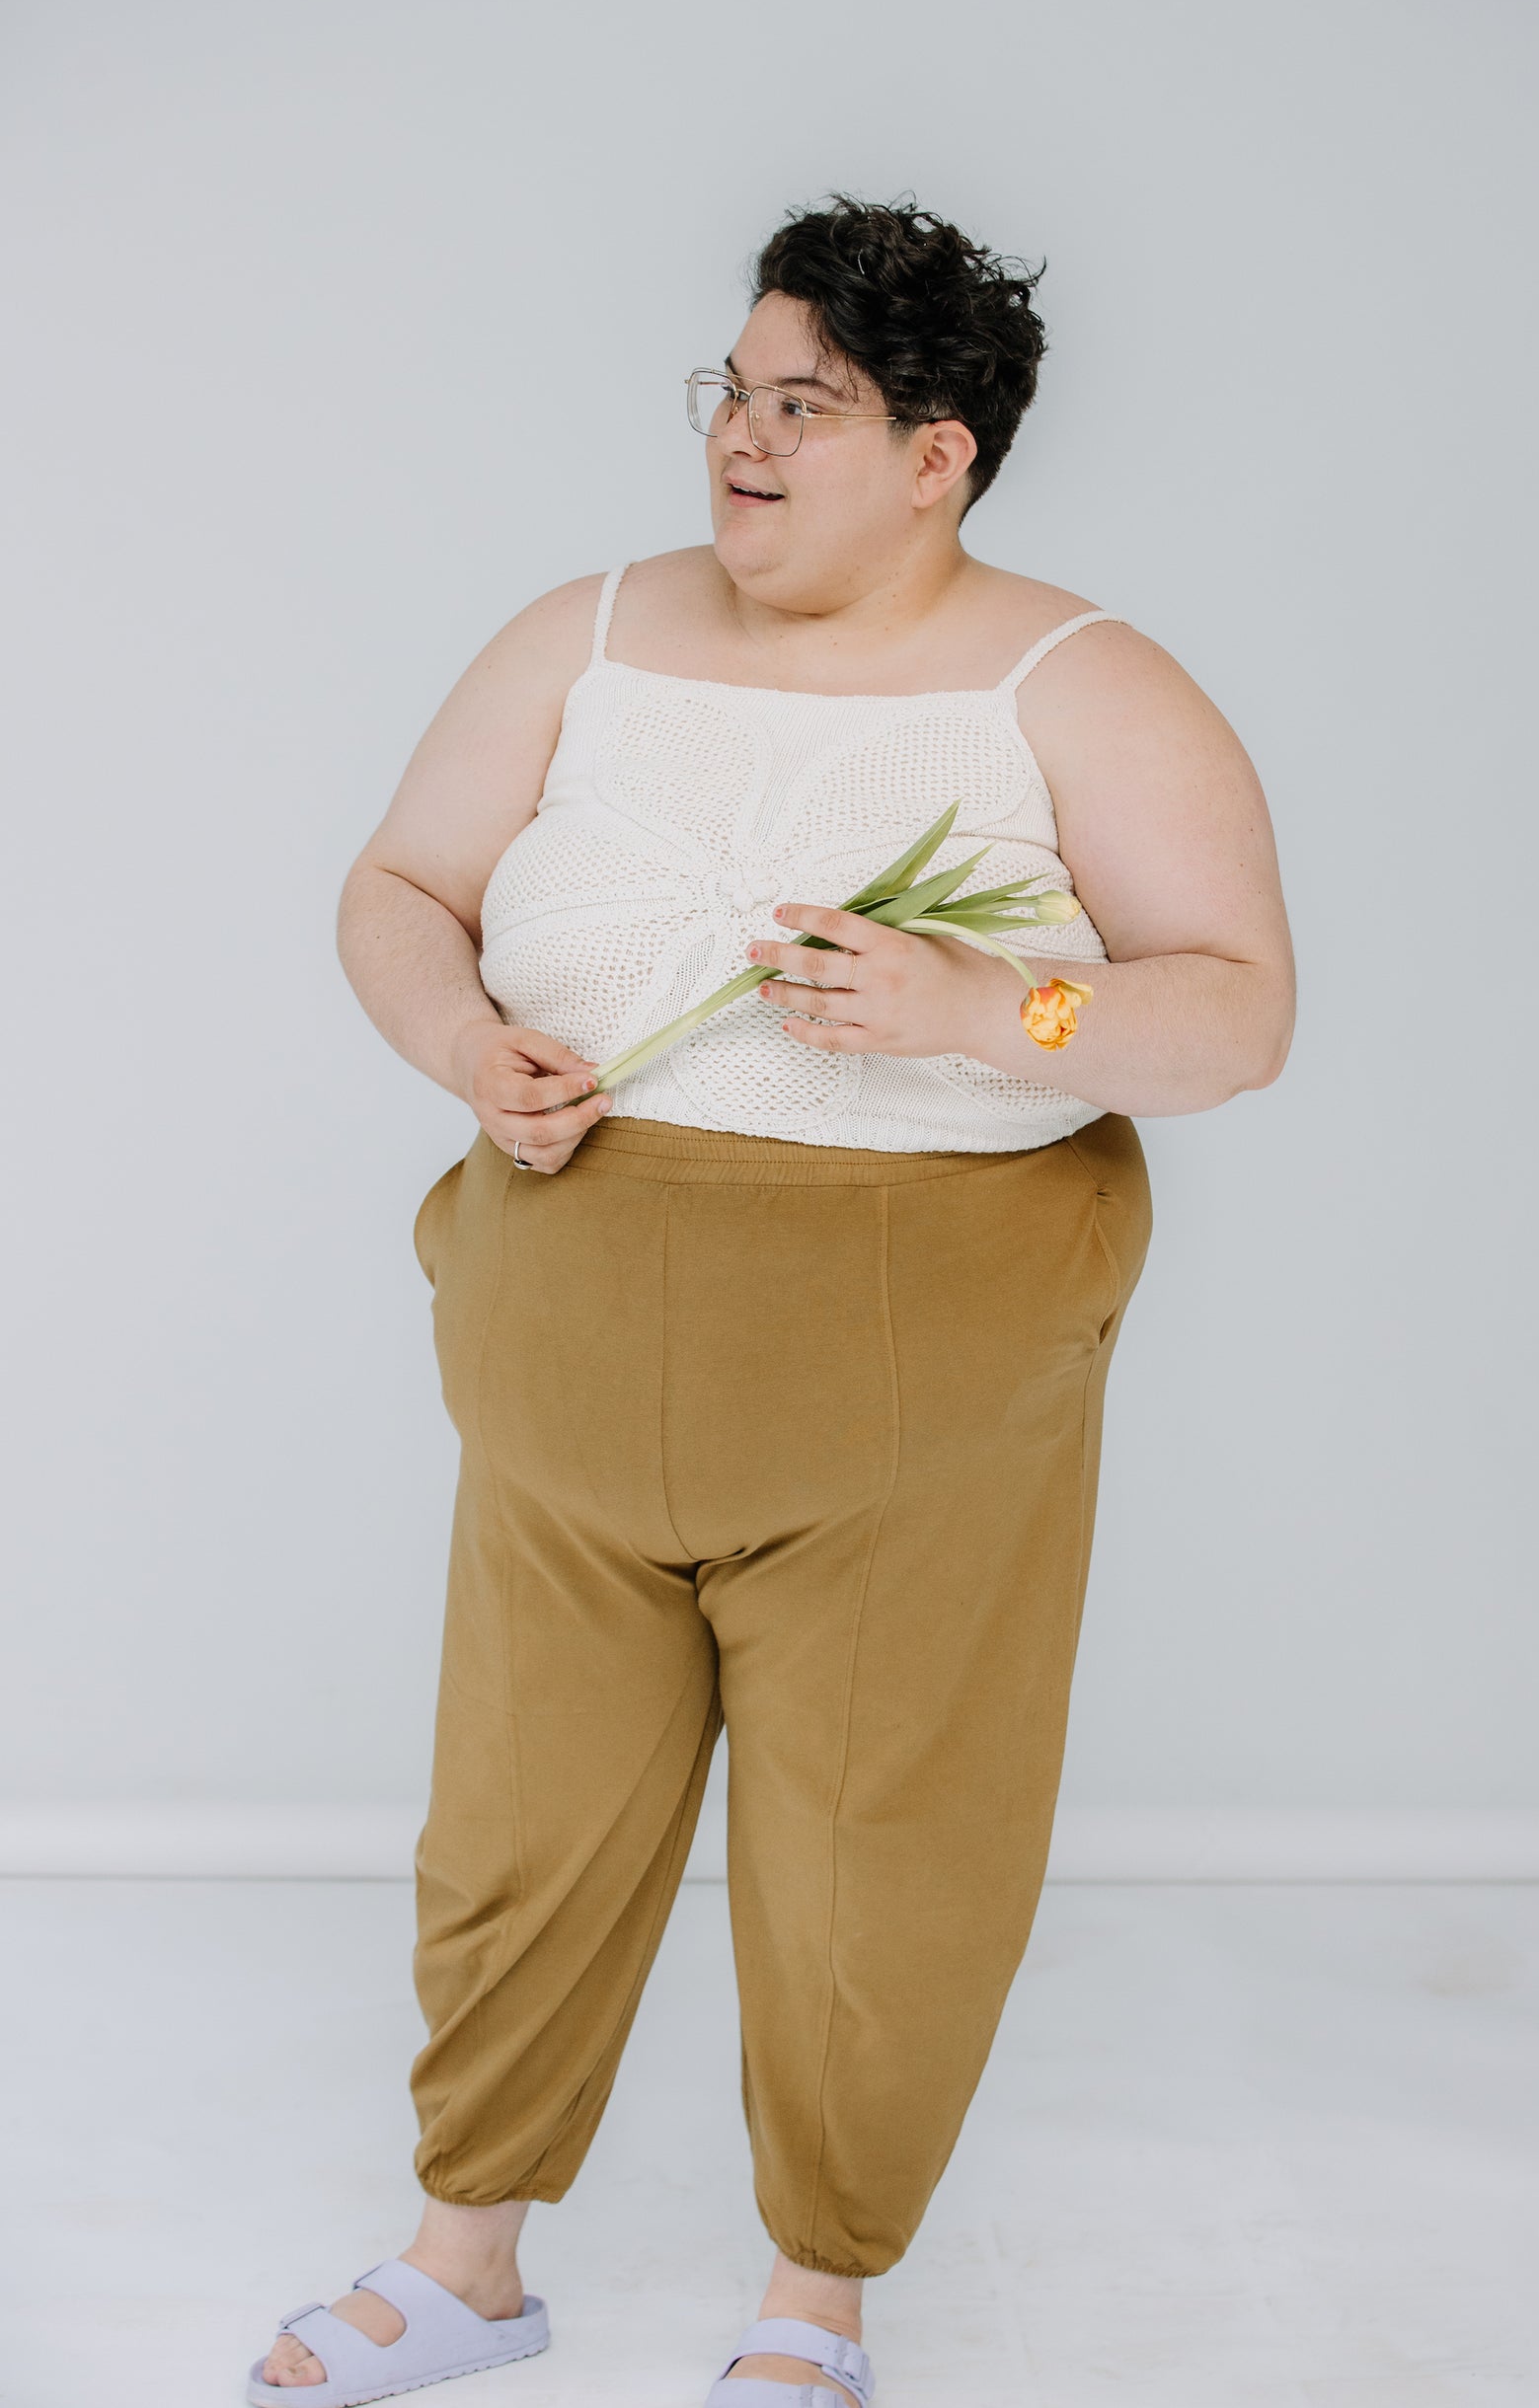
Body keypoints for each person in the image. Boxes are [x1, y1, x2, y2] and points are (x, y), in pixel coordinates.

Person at [248, 194, 1295, 2408]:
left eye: (801, 403)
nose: (741, 436)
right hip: (565, 1329)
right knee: (520, 1813)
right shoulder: (585, 630)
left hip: (910, 1367)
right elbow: (400, 886)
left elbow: (1228, 1022)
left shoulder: (1076, 682)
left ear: (939, 453)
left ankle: (810, 2302)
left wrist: (973, 1001)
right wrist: (461, 1045)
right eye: (730, 386)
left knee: (874, 1842)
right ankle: (467, 2260)